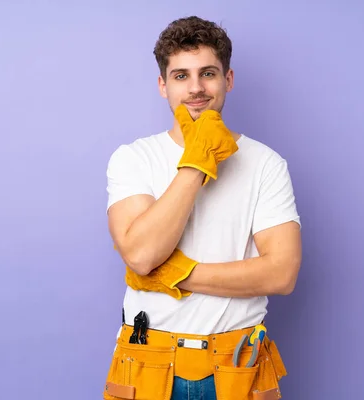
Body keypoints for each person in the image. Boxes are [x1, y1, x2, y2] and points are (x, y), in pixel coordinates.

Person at [102, 15, 302, 400]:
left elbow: (282, 274)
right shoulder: (133, 159)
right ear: (163, 85)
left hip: (237, 364)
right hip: (148, 362)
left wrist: (178, 274)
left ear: (227, 79)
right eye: (180, 76)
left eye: (207, 73)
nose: (195, 88)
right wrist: (197, 160)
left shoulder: (265, 163)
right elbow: (143, 256)